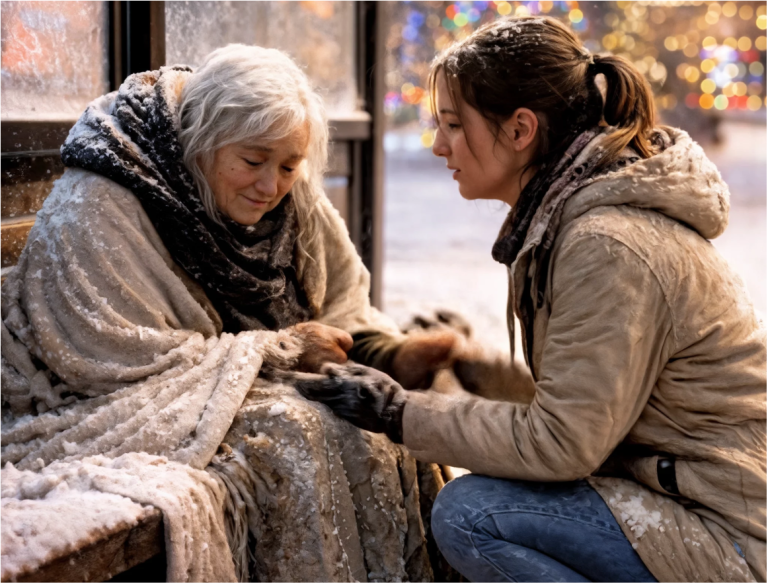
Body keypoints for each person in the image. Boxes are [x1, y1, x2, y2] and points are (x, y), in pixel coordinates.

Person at [296, 16, 766, 583]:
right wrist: (474, 366)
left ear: (520, 130)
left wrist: (399, 412)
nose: (440, 144)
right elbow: (594, 402)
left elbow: (565, 443)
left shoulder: (608, 244)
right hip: (681, 496)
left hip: (725, 536)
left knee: (472, 514)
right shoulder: (578, 217)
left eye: (452, 124)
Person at [0, 44, 456, 581]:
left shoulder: (292, 192)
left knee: (380, 412)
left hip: (211, 377)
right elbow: (101, 359)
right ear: (203, 142)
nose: (271, 186)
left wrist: (391, 354)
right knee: (296, 432)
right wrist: (279, 350)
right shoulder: (100, 204)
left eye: (289, 165)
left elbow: (341, 303)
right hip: (88, 397)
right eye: (253, 162)